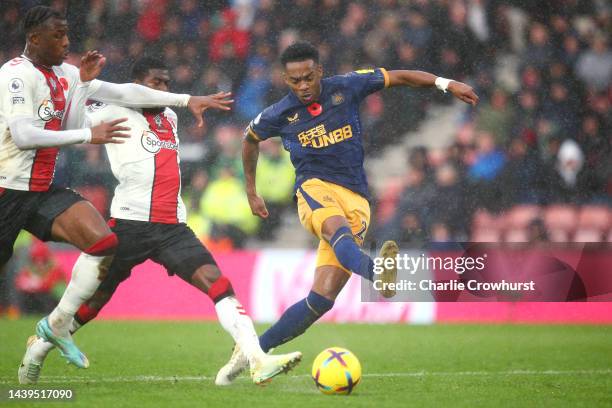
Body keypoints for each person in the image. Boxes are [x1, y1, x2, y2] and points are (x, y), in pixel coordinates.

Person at [18, 57, 301, 386]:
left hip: (172, 228)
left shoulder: (168, 116)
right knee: (93, 304)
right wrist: (78, 97)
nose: (164, 90)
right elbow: (73, 119)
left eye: (167, 83)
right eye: (156, 83)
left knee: (219, 284)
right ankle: (38, 348)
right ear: (137, 85)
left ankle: (256, 359)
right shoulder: (113, 111)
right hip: (128, 225)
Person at [216, 41, 479, 385]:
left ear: (320, 72)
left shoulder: (347, 86)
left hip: (357, 199)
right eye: (295, 81)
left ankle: (252, 353)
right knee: (337, 233)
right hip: (314, 189)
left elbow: (400, 76)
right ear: (286, 79)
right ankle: (378, 273)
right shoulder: (279, 113)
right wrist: (251, 191)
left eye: (308, 78)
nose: (303, 86)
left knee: (320, 301)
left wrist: (445, 84)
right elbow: (249, 139)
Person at [1, 6, 231, 370]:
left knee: (103, 241)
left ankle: (59, 326)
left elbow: (124, 94)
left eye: (67, 34)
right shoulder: (15, 74)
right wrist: (88, 134)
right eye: (58, 36)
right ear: (34, 38)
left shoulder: (67, 74)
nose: (67, 42)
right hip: (6, 190)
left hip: (41, 189)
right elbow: (24, 135)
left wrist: (86, 85)